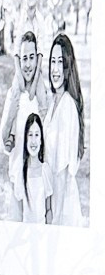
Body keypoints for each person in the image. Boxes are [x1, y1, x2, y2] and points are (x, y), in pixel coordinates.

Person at [0, 30, 48, 217]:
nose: (27, 64)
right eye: (23, 59)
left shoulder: (41, 96)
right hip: (16, 181)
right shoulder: (14, 93)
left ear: (37, 58)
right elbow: (2, 142)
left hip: (36, 184)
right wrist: (13, 105)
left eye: (31, 58)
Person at [46, 32, 86, 224]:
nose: (55, 69)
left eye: (60, 62)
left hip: (62, 207)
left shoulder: (68, 106)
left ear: (68, 66)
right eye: (52, 61)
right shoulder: (54, 100)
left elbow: (61, 172)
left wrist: (55, 219)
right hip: (51, 200)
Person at [20, 112, 54, 225]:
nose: (33, 140)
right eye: (30, 135)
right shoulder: (21, 171)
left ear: (41, 140)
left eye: (37, 135)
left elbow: (48, 210)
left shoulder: (45, 170)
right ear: (25, 139)